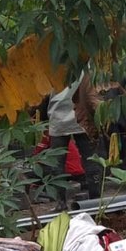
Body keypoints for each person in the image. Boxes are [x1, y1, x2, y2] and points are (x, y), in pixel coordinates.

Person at [47, 74, 102, 203]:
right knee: (90, 158)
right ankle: (95, 198)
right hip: (83, 113)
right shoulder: (85, 62)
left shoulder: (52, 65)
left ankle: (61, 202)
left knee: (57, 162)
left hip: (58, 114)